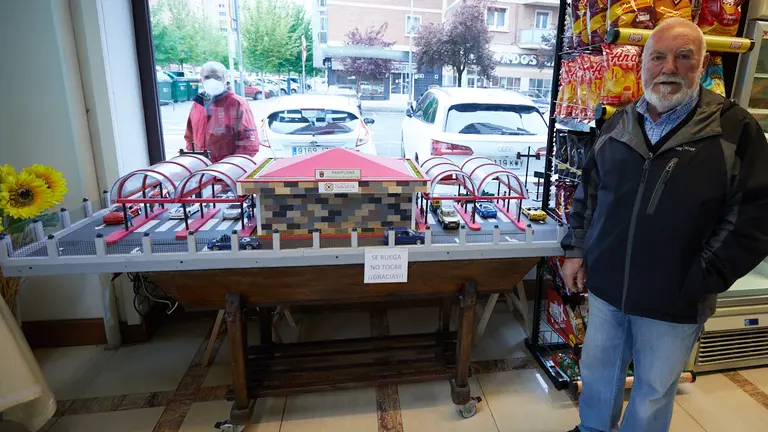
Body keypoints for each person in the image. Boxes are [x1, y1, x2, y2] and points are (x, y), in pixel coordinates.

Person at [561, 18, 768, 432]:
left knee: (654, 390)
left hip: (676, 297)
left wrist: (702, 275)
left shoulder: (734, 129)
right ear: (643, 65)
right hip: (608, 286)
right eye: (657, 57)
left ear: (702, 64)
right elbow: (589, 193)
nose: (668, 67)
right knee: (598, 374)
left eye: (683, 56)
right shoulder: (619, 123)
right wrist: (576, 250)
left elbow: (755, 216)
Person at [184, 62, 259, 163]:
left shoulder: (237, 103)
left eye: (217, 77)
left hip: (225, 169)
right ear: (201, 80)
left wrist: (228, 167)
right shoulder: (198, 103)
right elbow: (189, 135)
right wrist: (195, 160)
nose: (212, 81)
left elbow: (250, 143)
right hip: (201, 167)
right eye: (207, 77)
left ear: (225, 79)